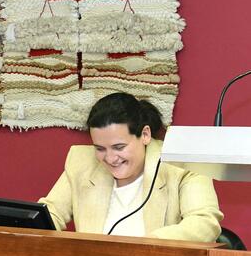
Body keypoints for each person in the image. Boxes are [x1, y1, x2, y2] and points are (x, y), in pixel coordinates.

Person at [39, 92, 223, 241]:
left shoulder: (183, 165)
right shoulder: (82, 162)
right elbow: (50, 214)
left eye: (119, 147)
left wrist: (149, 244)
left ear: (144, 135)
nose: (110, 158)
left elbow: (204, 223)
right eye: (100, 148)